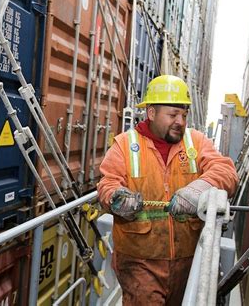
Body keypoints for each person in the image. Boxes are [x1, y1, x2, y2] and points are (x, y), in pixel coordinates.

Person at [97, 75, 238, 305]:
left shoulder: (196, 142)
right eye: (173, 115)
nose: (180, 121)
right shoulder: (125, 145)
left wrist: (198, 190)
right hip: (139, 261)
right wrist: (116, 197)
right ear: (151, 113)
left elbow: (226, 172)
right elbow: (107, 184)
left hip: (188, 260)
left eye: (184, 115)